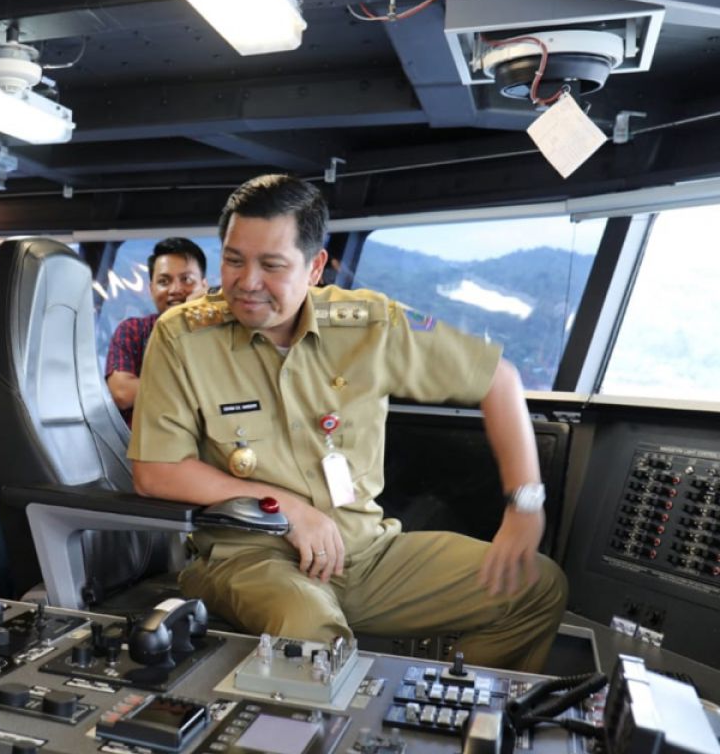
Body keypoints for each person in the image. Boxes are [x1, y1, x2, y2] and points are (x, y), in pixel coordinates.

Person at [129, 174, 566, 672]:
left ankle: (449, 710)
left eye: (271, 265)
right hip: (250, 558)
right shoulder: (182, 337)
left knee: (535, 586)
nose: (247, 282)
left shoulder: (367, 325)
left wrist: (524, 507)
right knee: (313, 633)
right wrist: (289, 509)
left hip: (365, 555)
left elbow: (498, 379)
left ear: (315, 267)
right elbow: (154, 472)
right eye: (233, 260)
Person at [106, 237, 208, 426]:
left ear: (204, 286)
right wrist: (196, 386)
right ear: (152, 289)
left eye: (186, 279)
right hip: (145, 449)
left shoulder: (219, 333)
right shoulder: (133, 331)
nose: (175, 289)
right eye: (164, 281)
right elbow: (123, 393)